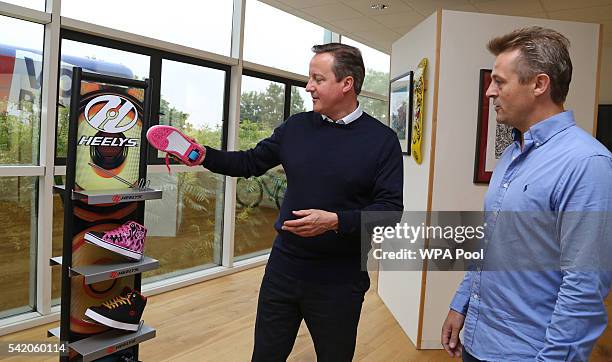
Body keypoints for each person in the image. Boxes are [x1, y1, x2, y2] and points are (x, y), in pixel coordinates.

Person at [150, 43, 403, 361]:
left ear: (346, 83)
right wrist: (203, 155)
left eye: (317, 78)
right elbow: (249, 162)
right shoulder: (296, 127)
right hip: (283, 269)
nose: (308, 86)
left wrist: (335, 221)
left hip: (338, 279)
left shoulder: (381, 141)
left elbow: (391, 211)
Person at [441, 26, 612, 361]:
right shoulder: (511, 156)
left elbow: (584, 287)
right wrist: (460, 304)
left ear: (539, 84)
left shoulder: (587, 164)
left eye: (499, 82)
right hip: (478, 340)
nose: (489, 92)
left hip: (528, 352)